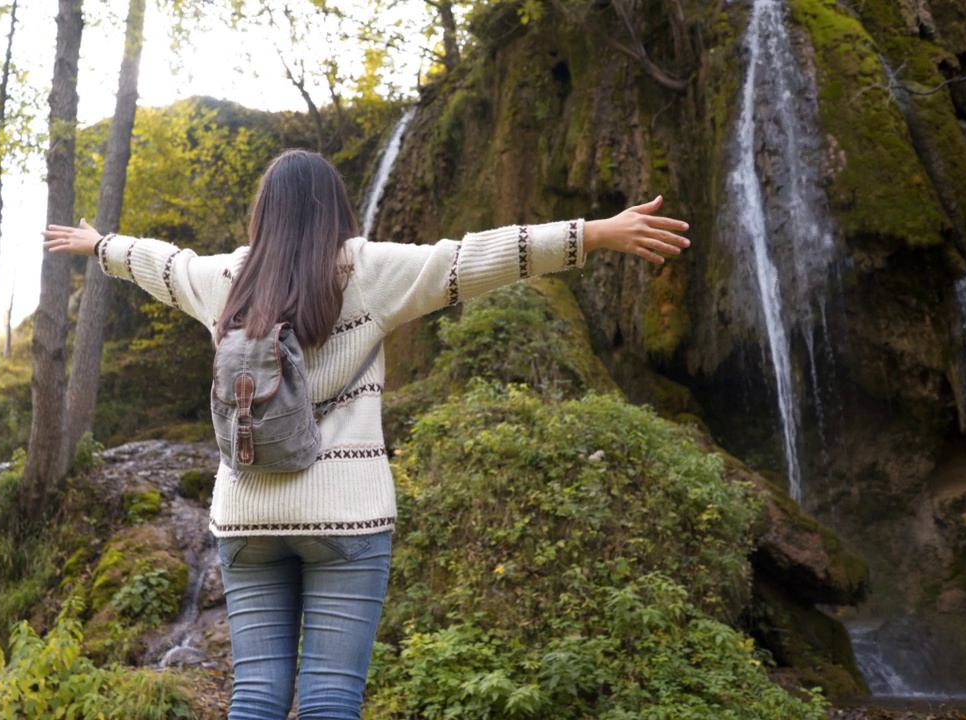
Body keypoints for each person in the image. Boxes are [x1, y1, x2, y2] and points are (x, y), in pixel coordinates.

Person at [41, 148, 690, 719]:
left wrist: (98, 245)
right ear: (334, 209)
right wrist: (596, 233)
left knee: (256, 698)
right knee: (329, 701)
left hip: (246, 516)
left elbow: (160, 263)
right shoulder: (366, 271)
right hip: (345, 517)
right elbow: (471, 259)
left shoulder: (224, 279)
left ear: (264, 214)